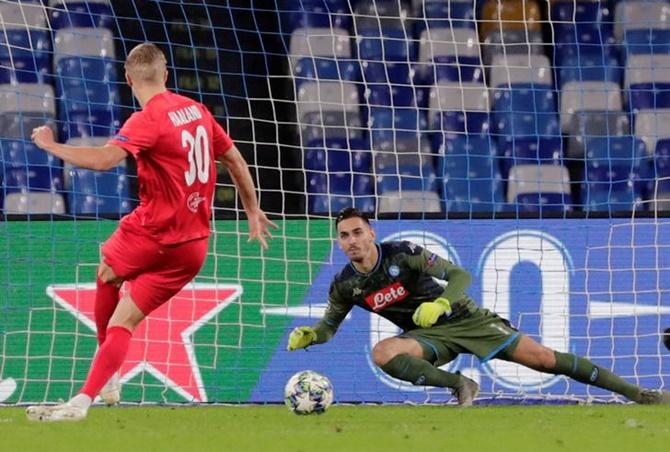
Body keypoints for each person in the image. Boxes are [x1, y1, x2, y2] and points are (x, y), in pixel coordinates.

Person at [26, 43, 277, 421]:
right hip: (193, 247)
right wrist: (253, 210)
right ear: (166, 75)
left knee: (109, 281)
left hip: (153, 234)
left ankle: (96, 387)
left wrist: (50, 144)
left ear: (128, 80)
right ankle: (88, 396)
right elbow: (235, 159)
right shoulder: (197, 110)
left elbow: (104, 161)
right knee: (117, 306)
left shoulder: (147, 120)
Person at [287, 207, 670, 406]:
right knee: (384, 351)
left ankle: (637, 393)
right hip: (425, 335)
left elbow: (460, 276)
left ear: (371, 232)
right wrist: (312, 335)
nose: (352, 240)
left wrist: (440, 303)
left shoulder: (404, 254)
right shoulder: (345, 285)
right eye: (344, 236)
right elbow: (329, 327)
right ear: (338, 243)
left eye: (358, 232)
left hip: (465, 318)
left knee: (543, 359)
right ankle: (461, 385)